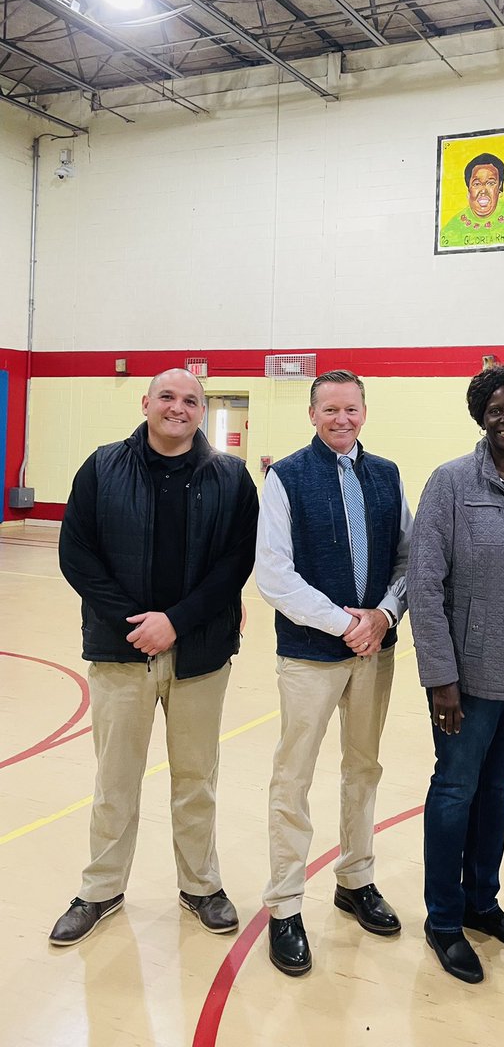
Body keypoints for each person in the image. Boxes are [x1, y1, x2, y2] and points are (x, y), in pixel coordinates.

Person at [50, 368, 259, 945]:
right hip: (121, 653)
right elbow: (77, 554)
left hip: (201, 654)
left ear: (201, 410)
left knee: (196, 778)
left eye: (190, 400)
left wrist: (178, 622)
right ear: (145, 403)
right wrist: (134, 624)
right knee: (115, 779)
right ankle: (100, 889)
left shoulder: (232, 477)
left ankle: (201, 886)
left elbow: (235, 565)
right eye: (166, 396)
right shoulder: (101, 467)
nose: (178, 407)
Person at [407, 364, 504, 984]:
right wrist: (440, 677)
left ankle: (482, 902)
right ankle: (443, 919)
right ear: (481, 415)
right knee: (455, 789)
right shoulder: (450, 482)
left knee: (496, 788)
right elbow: (424, 582)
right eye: (495, 408)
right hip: (466, 676)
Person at [256, 368, 412, 977]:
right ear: (313, 414)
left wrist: (383, 613)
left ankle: (355, 880)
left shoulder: (387, 475)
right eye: (330, 410)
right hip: (309, 656)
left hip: (375, 651)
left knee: (363, 768)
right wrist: (341, 623)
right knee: (292, 777)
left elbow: (406, 556)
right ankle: (286, 904)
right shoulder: (286, 477)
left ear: (364, 413)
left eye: (351, 409)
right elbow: (273, 572)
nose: (341, 419)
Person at [440, 153, 504, 249]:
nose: (483, 191)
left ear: (500, 186)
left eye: (491, 183)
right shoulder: (451, 230)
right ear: (468, 189)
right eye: (477, 184)